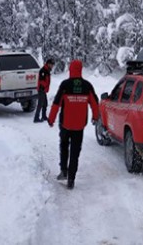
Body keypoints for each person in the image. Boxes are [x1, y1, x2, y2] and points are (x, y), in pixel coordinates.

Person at [47, 59, 99, 189]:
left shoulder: (65, 85)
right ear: (80, 70)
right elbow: (94, 103)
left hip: (65, 124)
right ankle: (71, 179)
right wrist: (95, 117)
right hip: (79, 126)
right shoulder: (87, 86)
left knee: (64, 146)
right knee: (75, 153)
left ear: (70, 70)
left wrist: (51, 119)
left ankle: (64, 171)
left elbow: (56, 103)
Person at [34, 59, 54, 123]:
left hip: (44, 90)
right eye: (51, 64)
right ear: (48, 64)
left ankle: (44, 116)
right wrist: (45, 86)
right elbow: (41, 81)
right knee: (40, 104)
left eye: (52, 65)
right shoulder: (43, 71)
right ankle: (36, 118)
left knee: (45, 103)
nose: (52, 66)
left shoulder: (47, 71)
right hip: (41, 89)